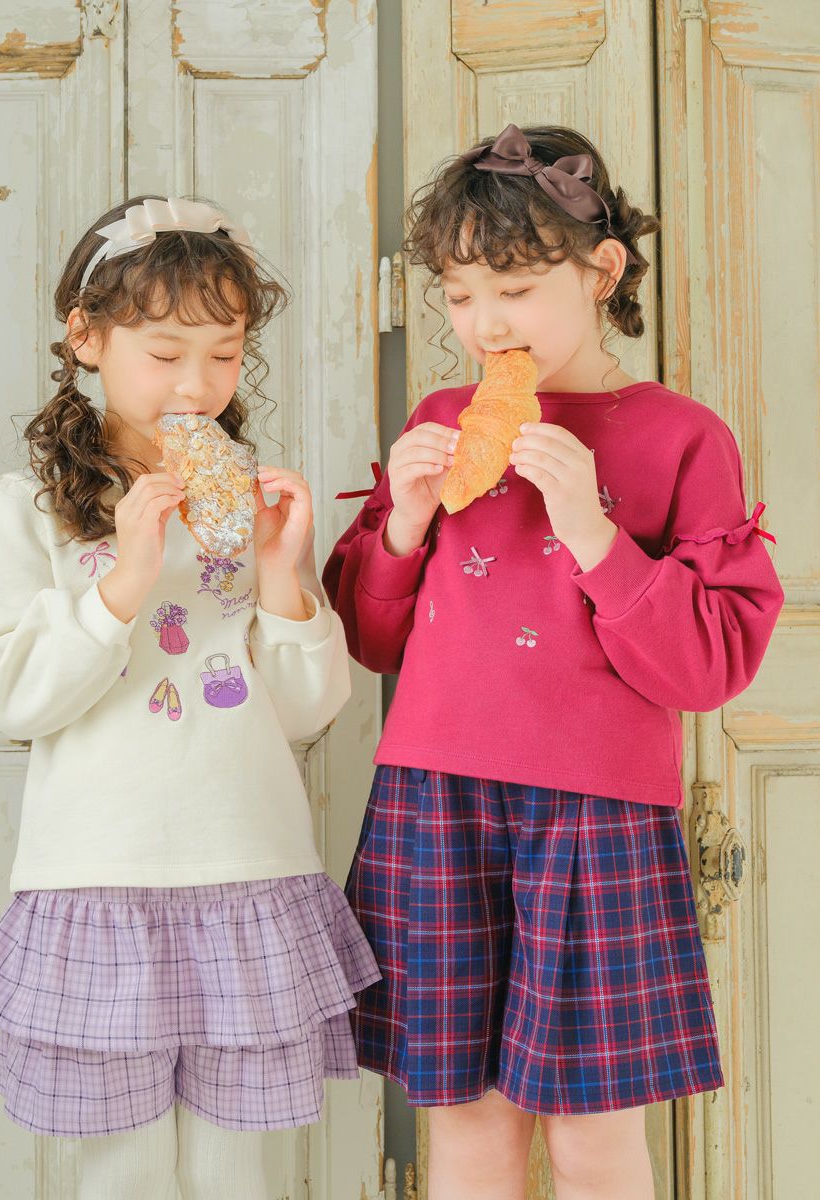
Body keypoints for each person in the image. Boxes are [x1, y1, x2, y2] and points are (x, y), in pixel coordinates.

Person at [323, 125, 784, 1200]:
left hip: (598, 817)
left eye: (516, 289)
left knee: (592, 1142)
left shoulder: (681, 437)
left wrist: (591, 530)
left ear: (602, 270)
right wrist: (401, 525)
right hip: (432, 801)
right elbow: (372, 637)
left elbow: (706, 669)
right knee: (469, 1136)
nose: (483, 325)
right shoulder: (440, 420)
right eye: (457, 294)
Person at [0, 194, 379, 1200]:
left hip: (249, 870)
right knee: (126, 1174)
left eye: (224, 355)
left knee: (243, 1175)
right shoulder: (24, 508)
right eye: (166, 352)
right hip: (98, 878)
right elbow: (12, 694)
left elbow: (309, 707)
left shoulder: (253, 501)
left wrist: (283, 573)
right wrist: (124, 581)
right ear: (86, 338)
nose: (199, 384)